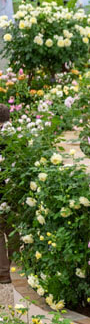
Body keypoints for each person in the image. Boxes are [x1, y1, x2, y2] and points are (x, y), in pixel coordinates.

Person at [0, 105, 12, 286]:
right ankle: (16, 267)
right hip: (13, 191)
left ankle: (3, 273)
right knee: (13, 231)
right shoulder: (14, 136)